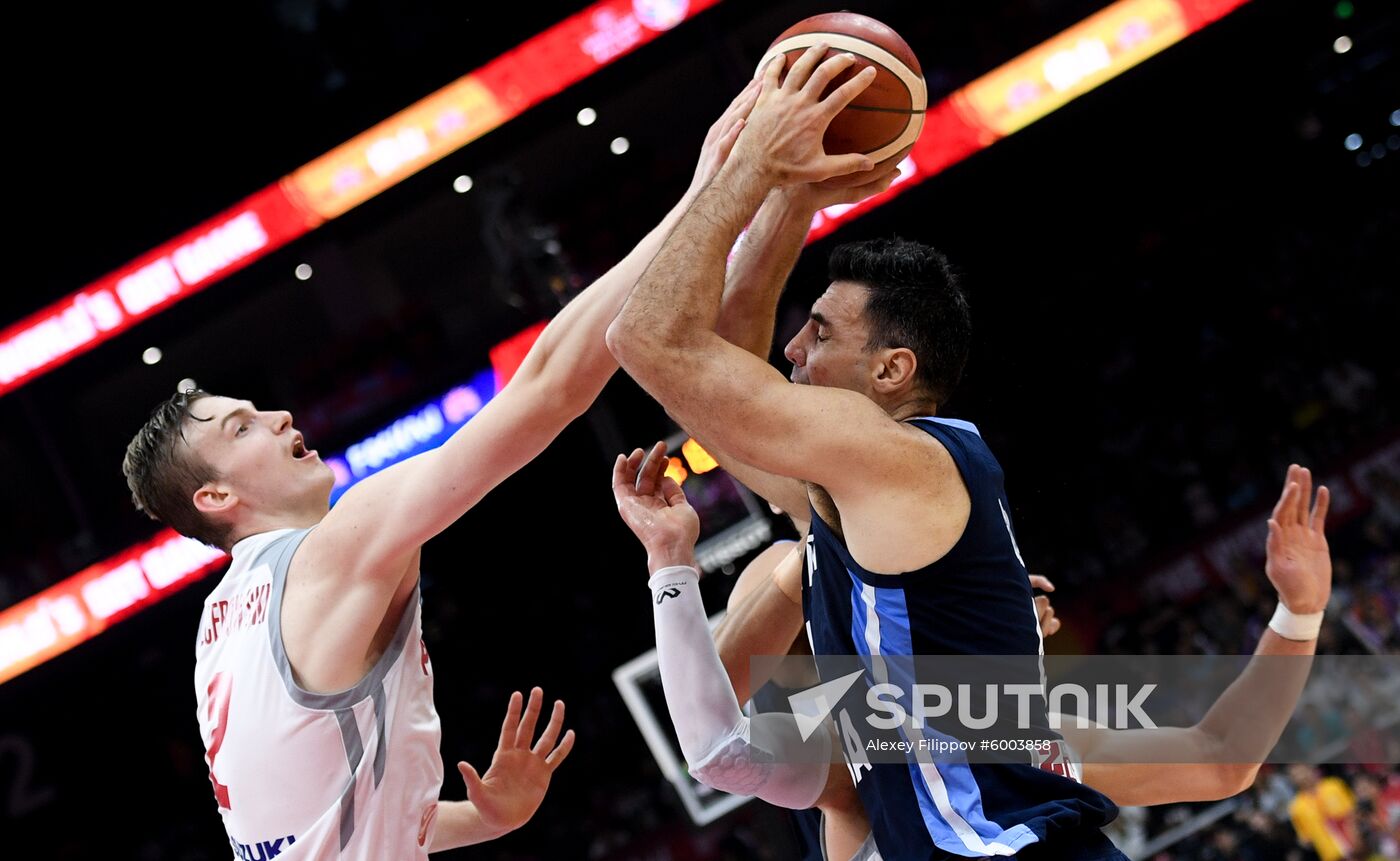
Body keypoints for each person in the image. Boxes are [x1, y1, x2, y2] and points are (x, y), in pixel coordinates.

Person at [119, 82, 761, 858]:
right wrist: (707, 196)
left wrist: (489, 819)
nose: (282, 417)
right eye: (243, 425)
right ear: (216, 495)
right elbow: (550, 383)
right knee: (782, 587)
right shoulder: (336, 548)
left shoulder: (216, 635)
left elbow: (322, 828)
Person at [606, 44, 1124, 858]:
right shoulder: (851, 494)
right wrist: (796, 197)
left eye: (819, 334)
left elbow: (649, 340)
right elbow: (713, 370)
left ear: (891, 370)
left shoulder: (897, 459)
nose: (791, 354)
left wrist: (749, 166)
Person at [614, 445, 1334, 860]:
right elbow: (717, 743)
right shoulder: (859, 755)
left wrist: (1299, 612)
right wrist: (683, 562)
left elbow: (1222, 756)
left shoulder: (1023, 740)